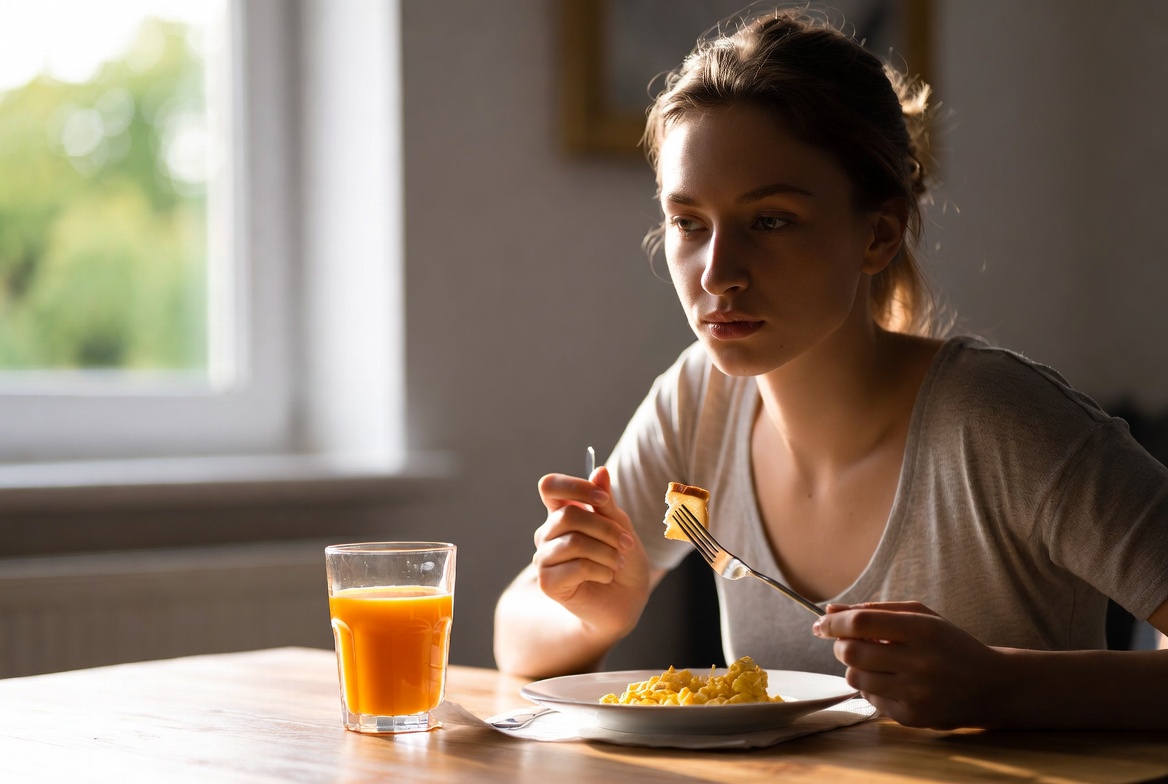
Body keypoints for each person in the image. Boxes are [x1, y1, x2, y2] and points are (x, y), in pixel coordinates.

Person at [493, 6, 1168, 730]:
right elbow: (516, 641)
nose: (718, 274)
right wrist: (592, 614)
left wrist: (1004, 686)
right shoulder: (699, 398)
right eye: (689, 223)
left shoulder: (1002, 422)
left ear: (876, 234)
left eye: (771, 221)